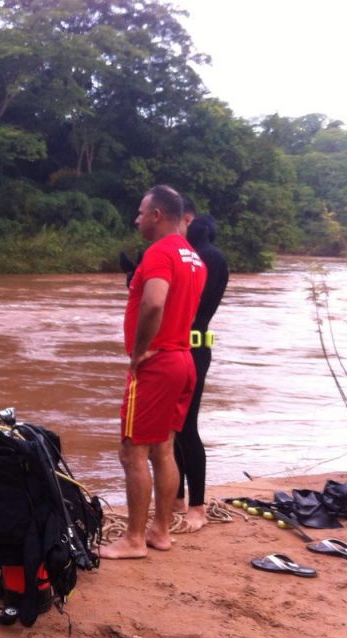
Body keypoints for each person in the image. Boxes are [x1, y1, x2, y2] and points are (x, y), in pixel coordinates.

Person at [101, 185, 207, 560]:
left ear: (157, 215)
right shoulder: (194, 257)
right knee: (163, 449)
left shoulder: (159, 253)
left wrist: (140, 351)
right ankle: (160, 531)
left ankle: (133, 540)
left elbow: (154, 302)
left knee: (132, 452)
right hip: (184, 360)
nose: (137, 219)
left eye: (141, 212)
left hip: (157, 364)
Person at [173, 214, 229, 530]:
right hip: (192, 348)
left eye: (189, 222)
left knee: (186, 429)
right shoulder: (207, 256)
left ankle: (196, 508)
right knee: (175, 430)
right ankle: (179, 500)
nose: (185, 226)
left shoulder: (203, 257)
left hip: (191, 349)